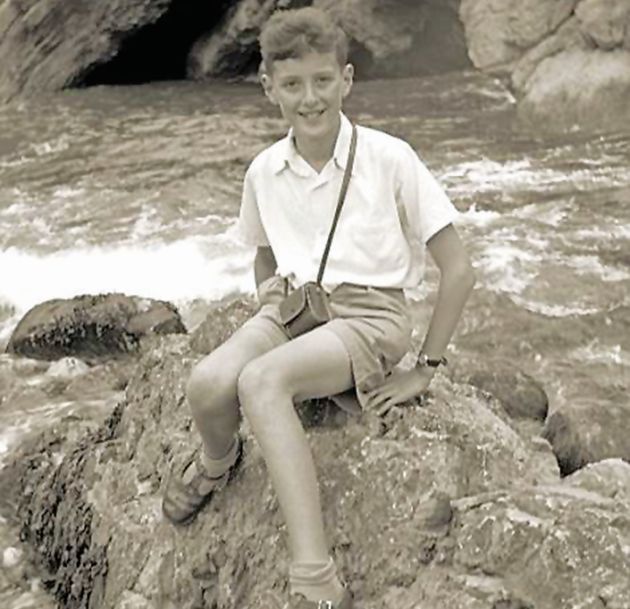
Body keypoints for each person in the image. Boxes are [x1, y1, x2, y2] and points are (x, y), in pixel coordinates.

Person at [162, 6, 475, 609]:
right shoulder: (264, 171)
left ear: (346, 79)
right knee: (206, 384)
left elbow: (458, 270)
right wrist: (266, 295)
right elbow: (264, 255)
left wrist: (425, 369)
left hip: (370, 317)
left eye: (323, 80)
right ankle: (218, 461)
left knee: (261, 383)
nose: (310, 98)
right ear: (268, 88)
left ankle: (314, 575)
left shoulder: (389, 157)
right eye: (293, 84)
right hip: (298, 309)